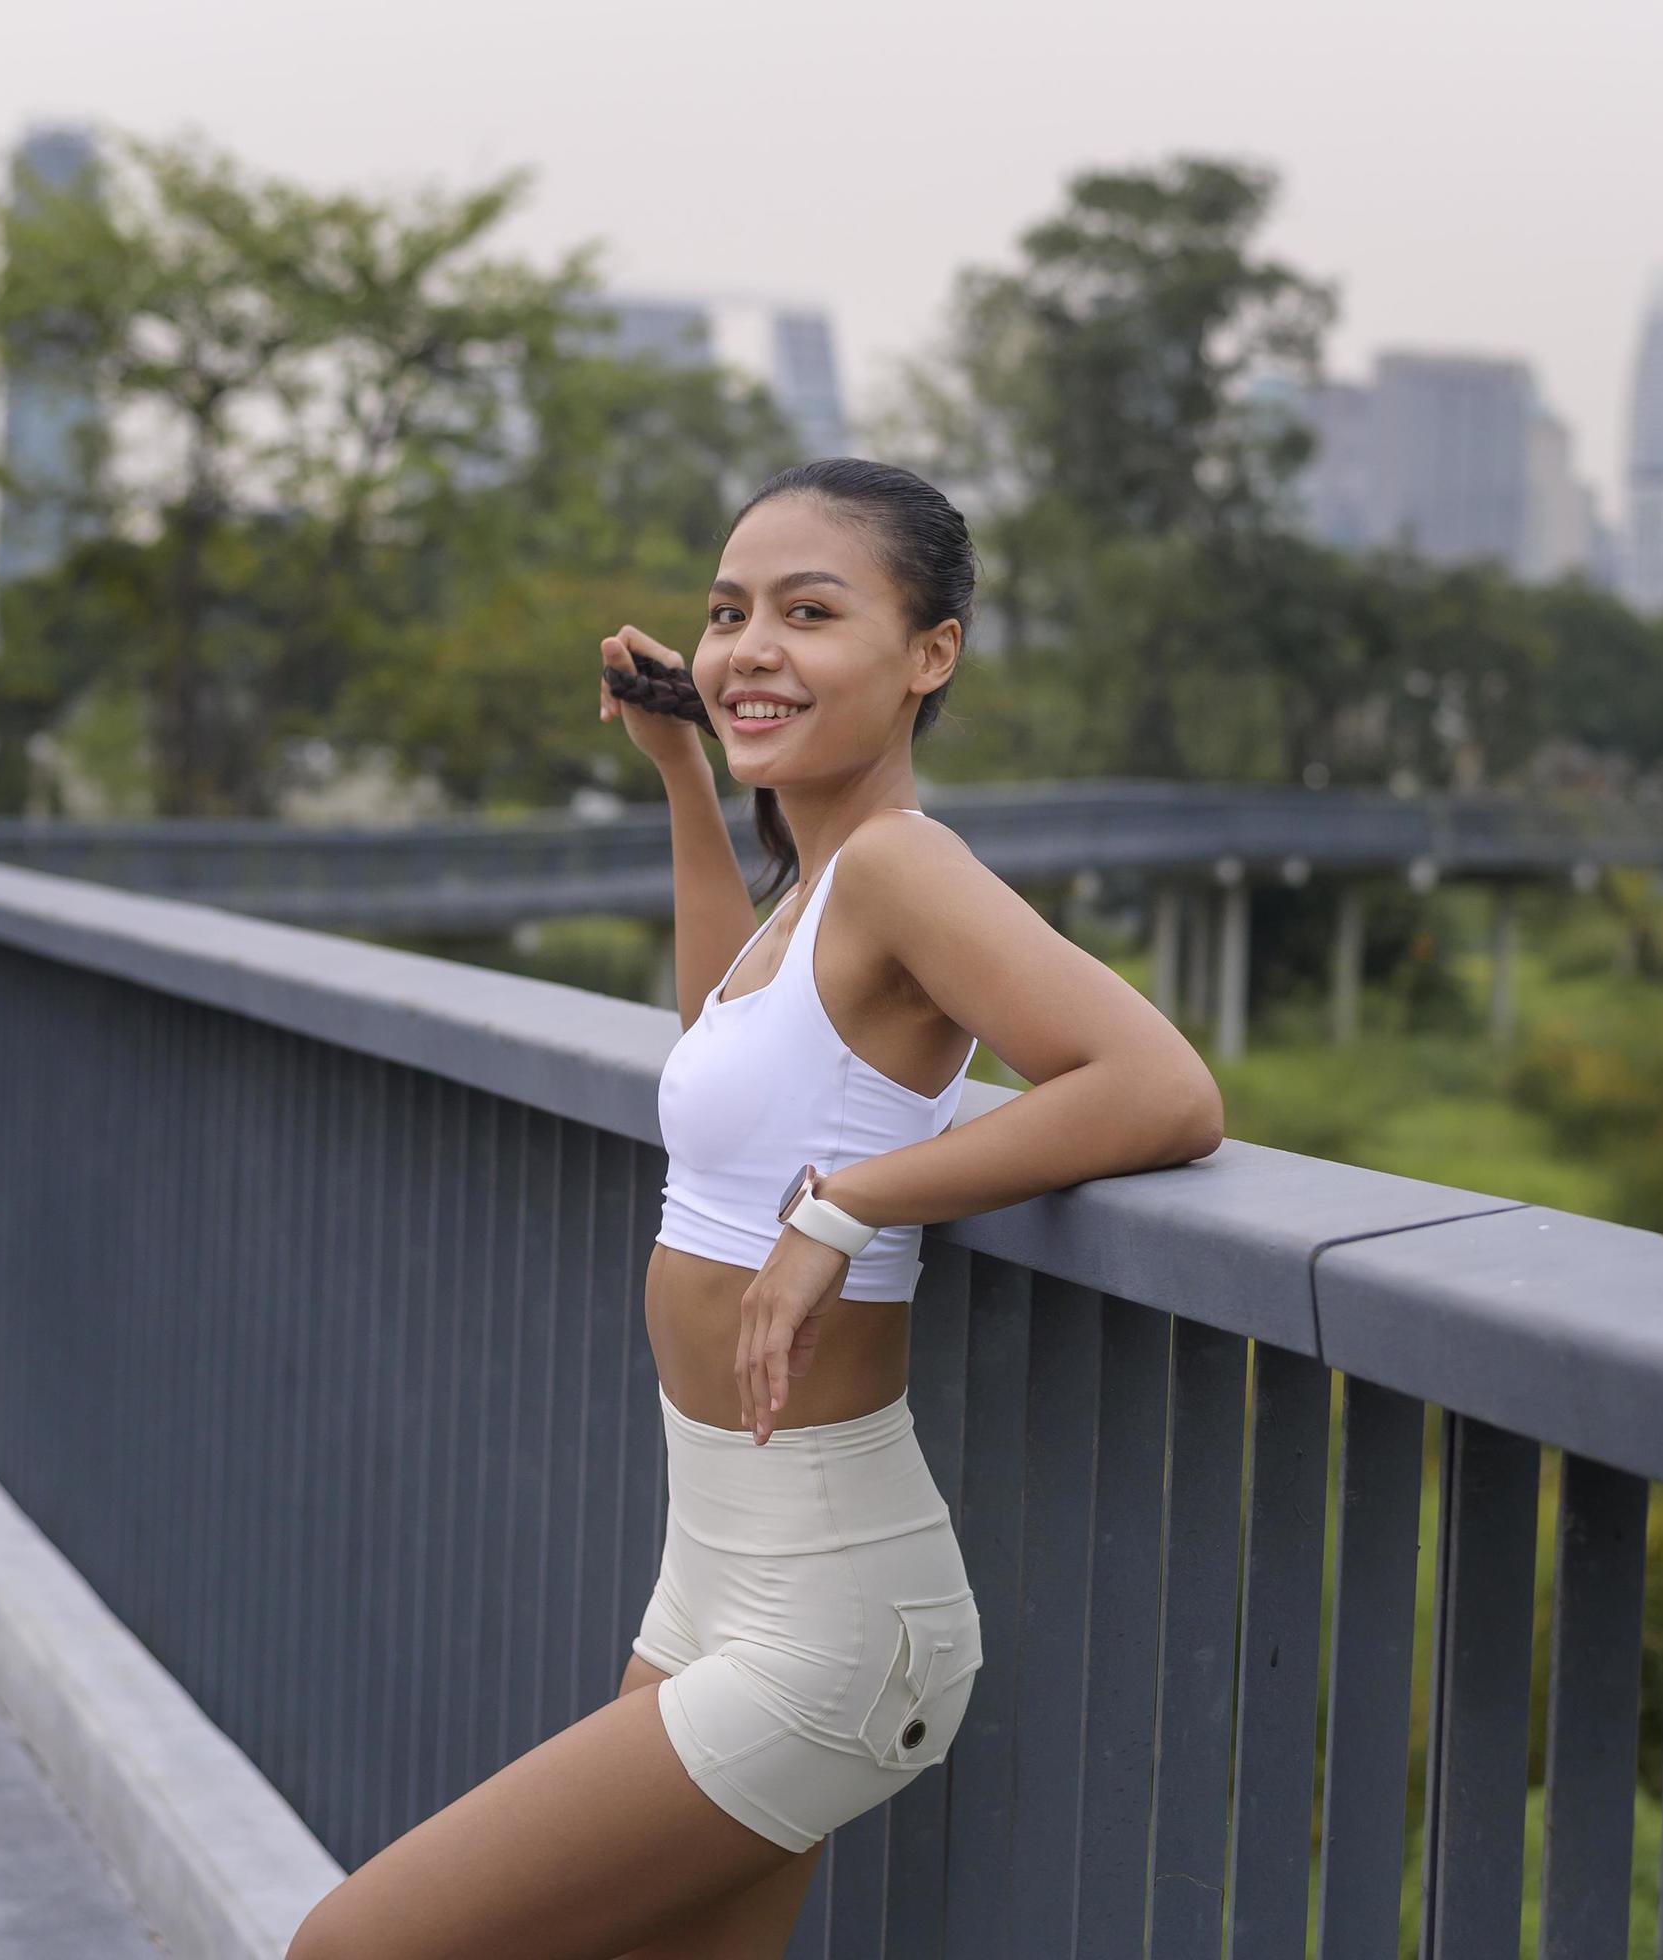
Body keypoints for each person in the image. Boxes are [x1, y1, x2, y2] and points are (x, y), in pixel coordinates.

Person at [289, 458, 1225, 1960]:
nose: (747, 648)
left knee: (352, 1946)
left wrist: (850, 1208)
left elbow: (1158, 1089)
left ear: (930, 655)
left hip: (832, 1610)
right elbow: (728, 1044)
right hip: (718, 1563)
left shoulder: (906, 868)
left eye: (808, 610)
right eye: (727, 614)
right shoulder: (820, 890)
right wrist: (682, 773)